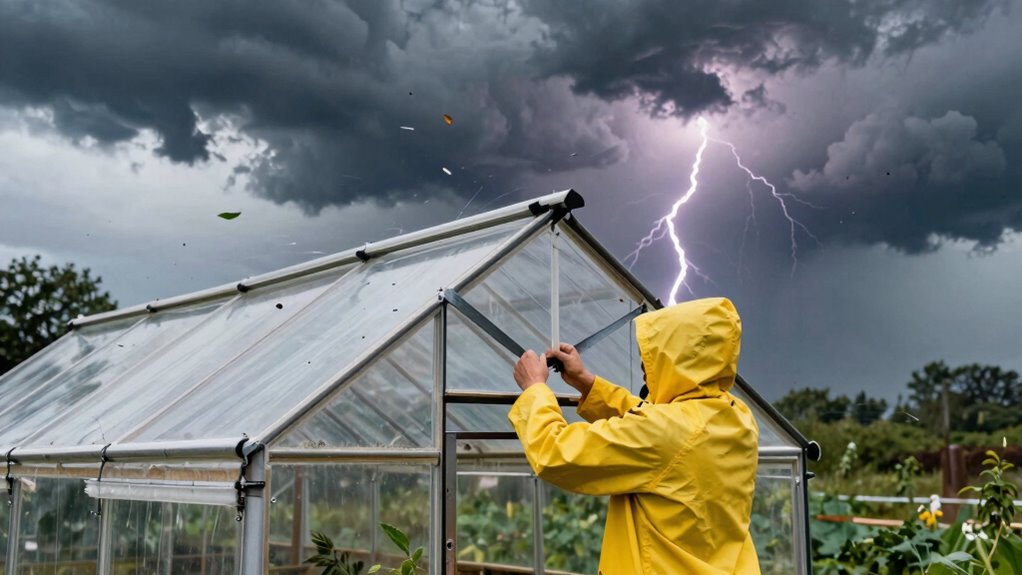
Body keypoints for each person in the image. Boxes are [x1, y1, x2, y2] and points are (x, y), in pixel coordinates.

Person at [509, 297, 760, 574]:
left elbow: (555, 453)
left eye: (652, 362)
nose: (645, 372)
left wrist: (535, 390)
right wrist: (587, 383)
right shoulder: (737, 416)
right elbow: (657, 428)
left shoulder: (666, 431)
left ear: (679, 363)